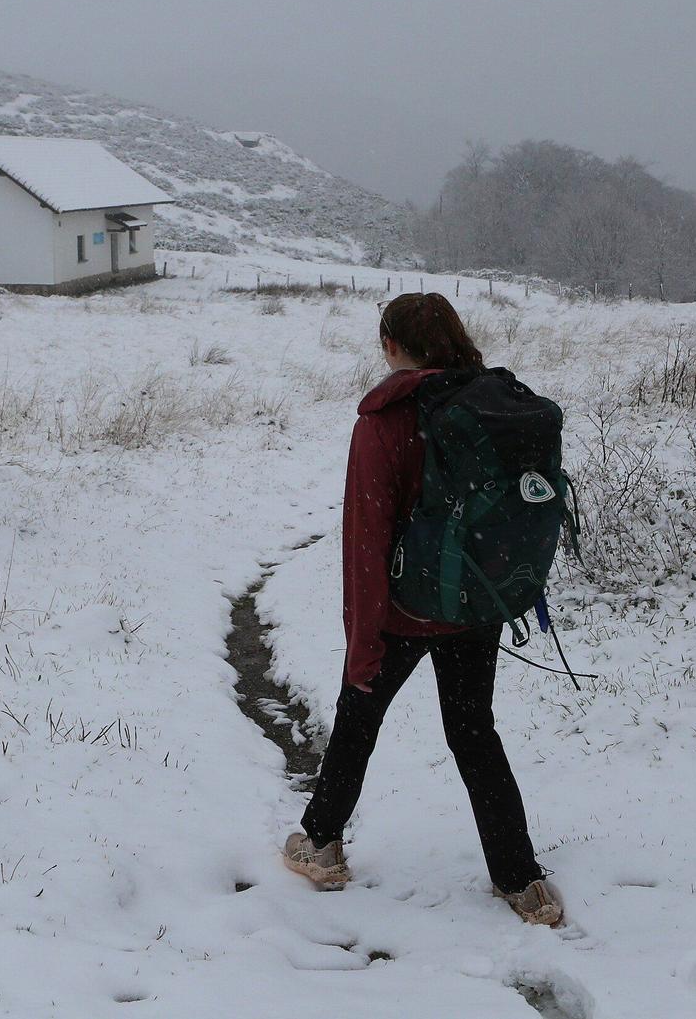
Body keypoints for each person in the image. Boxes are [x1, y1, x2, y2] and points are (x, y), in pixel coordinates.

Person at [280, 292, 564, 928]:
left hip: (406, 608)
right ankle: (523, 882)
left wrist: (363, 639)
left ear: (391, 346)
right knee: (472, 730)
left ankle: (322, 845)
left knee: (358, 715)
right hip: (473, 601)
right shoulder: (491, 405)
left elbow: (365, 540)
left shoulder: (383, 422)